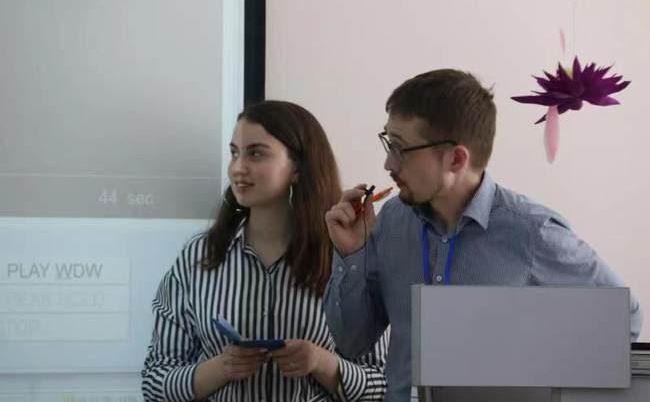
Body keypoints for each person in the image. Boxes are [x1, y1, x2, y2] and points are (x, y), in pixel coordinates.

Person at [323, 69, 643, 401]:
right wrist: (352, 255)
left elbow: (624, 321)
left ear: (456, 159)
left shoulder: (534, 233)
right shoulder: (390, 220)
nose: (389, 163)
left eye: (401, 149)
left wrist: (527, 368)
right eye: (389, 143)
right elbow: (352, 343)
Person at [142, 100, 388, 402]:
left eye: (256, 154)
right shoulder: (198, 257)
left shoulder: (346, 257)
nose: (238, 168)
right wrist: (220, 368)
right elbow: (154, 384)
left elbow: (385, 385)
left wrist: (322, 363)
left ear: (297, 167)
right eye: (235, 153)